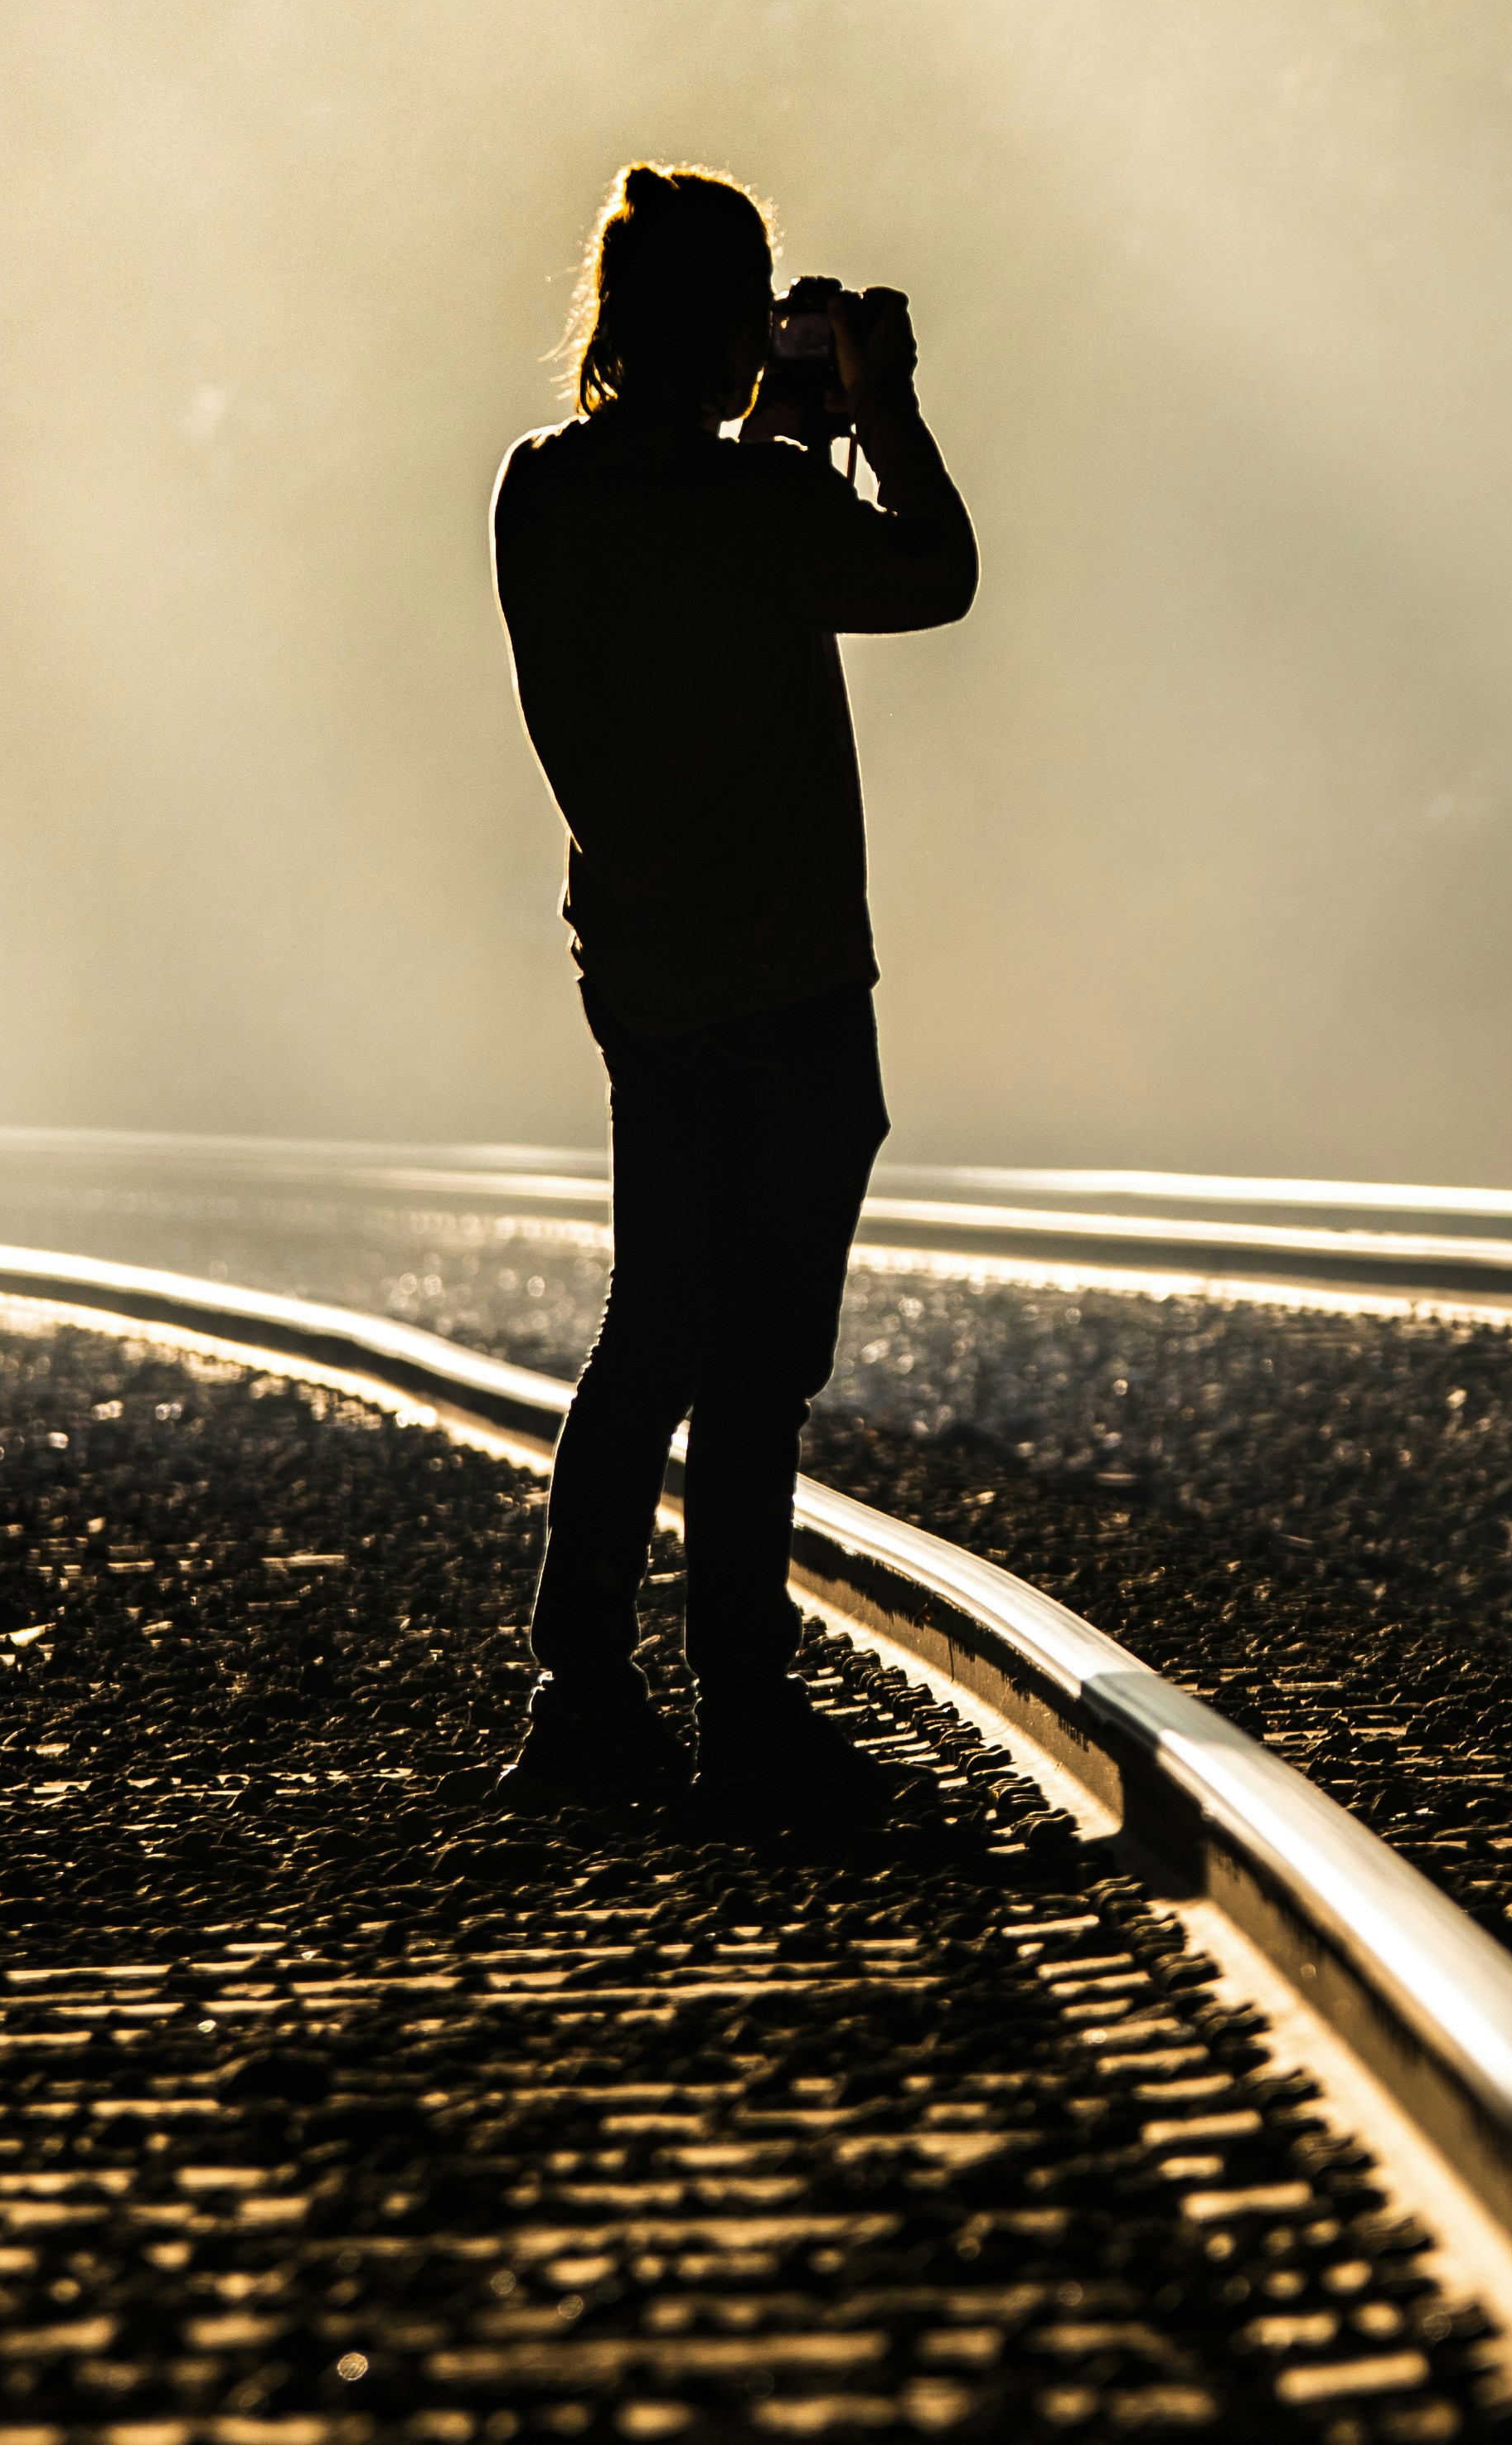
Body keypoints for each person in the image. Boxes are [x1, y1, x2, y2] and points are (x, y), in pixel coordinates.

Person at [482, 163, 975, 1821]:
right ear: (722, 321)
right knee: (760, 1363)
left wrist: (771, 432)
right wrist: (882, 409)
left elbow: (671, 577)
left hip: (642, 973)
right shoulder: (764, 513)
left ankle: (581, 1690)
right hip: (794, 980)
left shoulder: (540, 495)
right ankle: (747, 1710)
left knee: (650, 1327)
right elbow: (935, 571)